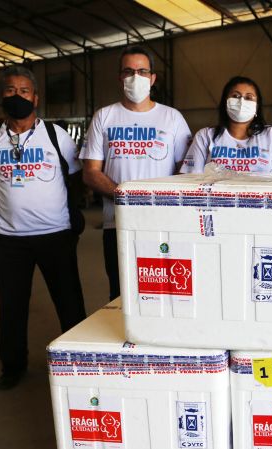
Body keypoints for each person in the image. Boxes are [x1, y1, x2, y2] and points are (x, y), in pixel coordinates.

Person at [0, 66, 86, 390]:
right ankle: (13, 366)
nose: (17, 96)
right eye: (10, 90)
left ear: (35, 98)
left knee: (69, 301)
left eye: (24, 91)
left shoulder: (55, 135)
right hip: (10, 239)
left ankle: (78, 359)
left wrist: (69, 211)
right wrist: (4, 206)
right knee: (12, 306)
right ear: (2, 97)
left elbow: (75, 176)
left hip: (56, 235)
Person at [82, 45, 192, 301]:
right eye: (129, 71)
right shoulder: (104, 117)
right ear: (120, 77)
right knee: (121, 293)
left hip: (162, 223)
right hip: (117, 223)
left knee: (163, 291)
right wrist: (126, 195)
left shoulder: (172, 118)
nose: (136, 77)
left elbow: (185, 171)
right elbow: (90, 172)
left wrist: (157, 200)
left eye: (143, 71)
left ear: (153, 78)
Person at [180, 76, 272, 174]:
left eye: (248, 97)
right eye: (235, 96)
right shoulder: (205, 136)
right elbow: (190, 181)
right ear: (225, 102)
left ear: (257, 105)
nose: (242, 101)